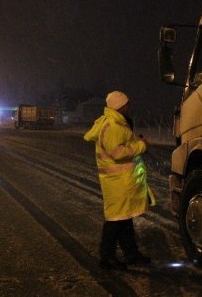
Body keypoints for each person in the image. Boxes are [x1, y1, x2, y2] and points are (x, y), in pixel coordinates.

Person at [84, 90, 156, 270]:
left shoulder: (115, 123)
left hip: (120, 181)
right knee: (116, 221)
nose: (128, 107)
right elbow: (118, 153)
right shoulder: (114, 126)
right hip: (119, 182)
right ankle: (106, 256)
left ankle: (131, 254)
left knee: (124, 218)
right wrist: (141, 146)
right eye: (126, 104)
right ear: (120, 106)